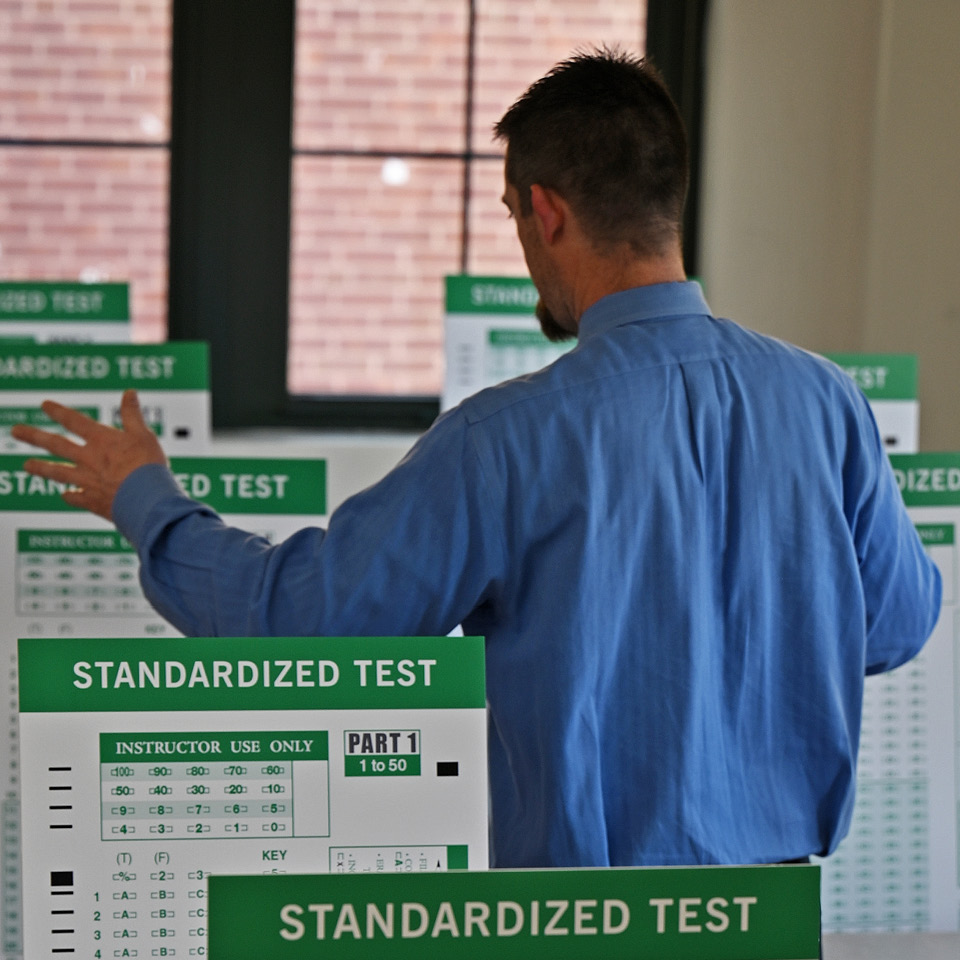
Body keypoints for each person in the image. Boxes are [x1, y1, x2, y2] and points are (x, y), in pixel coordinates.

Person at [13, 48, 940, 870]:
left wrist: (146, 501)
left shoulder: (509, 439)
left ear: (546, 213)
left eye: (510, 212)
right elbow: (896, 623)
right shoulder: (828, 402)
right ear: (669, 201)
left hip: (585, 935)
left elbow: (305, 621)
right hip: (778, 924)